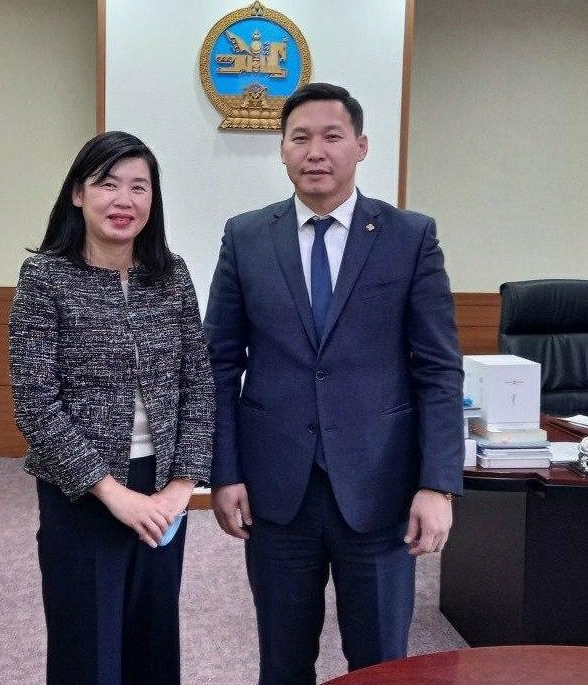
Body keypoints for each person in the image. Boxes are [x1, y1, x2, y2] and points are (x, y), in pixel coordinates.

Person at [205, 83, 464, 683]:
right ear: (282, 150)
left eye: (332, 136)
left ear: (361, 146)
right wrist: (225, 471)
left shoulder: (409, 236)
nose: (315, 151)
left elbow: (438, 369)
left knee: (380, 665)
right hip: (276, 489)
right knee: (282, 661)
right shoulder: (246, 237)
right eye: (300, 138)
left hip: (380, 488)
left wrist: (438, 484)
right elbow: (219, 363)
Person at [8, 131, 214, 685]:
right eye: (107, 184)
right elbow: (36, 405)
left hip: (162, 489)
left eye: (139, 187)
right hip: (82, 492)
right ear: (78, 194)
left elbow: (198, 384)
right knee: (88, 652)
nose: (124, 200)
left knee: (154, 644)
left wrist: (181, 486)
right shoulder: (45, 278)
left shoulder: (171, 275)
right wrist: (113, 493)